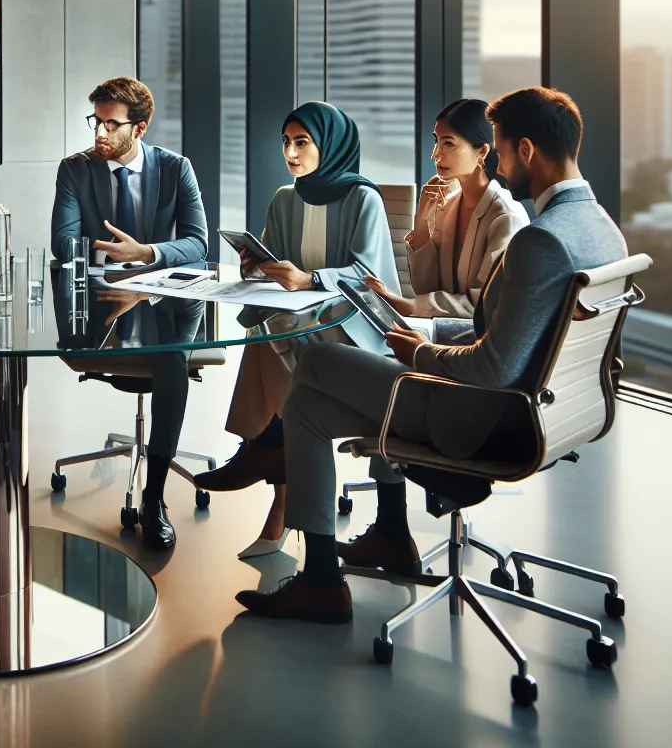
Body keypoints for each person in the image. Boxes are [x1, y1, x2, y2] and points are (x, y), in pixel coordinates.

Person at [233, 87, 627, 624]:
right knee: (308, 407)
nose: (499, 162)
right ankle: (379, 539)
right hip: (551, 409)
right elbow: (509, 330)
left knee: (318, 365)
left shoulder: (539, 240)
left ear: (527, 150)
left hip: (482, 417)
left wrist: (422, 352)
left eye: (500, 150)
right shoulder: (602, 228)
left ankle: (321, 571)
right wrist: (429, 326)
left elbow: (494, 367)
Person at [192, 102, 398, 559]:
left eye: (301, 142)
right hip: (301, 324)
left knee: (270, 338)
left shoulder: (364, 199)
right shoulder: (285, 199)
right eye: (285, 142)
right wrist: (256, 266)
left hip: (352, 325)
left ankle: (265, 451)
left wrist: (310, 279)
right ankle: (270, 451)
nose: (290, 152)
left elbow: (369, 277)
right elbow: (276, 267)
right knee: (270, 331)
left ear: (330, 145)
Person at [51, 77, 208, 549]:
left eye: (111, 124)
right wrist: (106, 257)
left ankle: (154, 496)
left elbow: (198, 242)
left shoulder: (176, 169)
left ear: (139, 128)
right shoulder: (75, 169)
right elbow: (63, 241)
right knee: (76, 341)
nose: (99, 132)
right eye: (95, 121)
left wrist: (148, 254)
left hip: (162, 300)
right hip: (99, 302)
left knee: (172, 359)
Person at [362, 98, 528, 321]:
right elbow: (425, 288)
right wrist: (423, 218)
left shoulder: (506, 218)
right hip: (440, 327)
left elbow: (486, 304)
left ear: (482, 151)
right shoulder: (448, 206)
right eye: (436, 141)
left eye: (448, 143)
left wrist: (410, 306)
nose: (435, 154)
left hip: (483, 334)